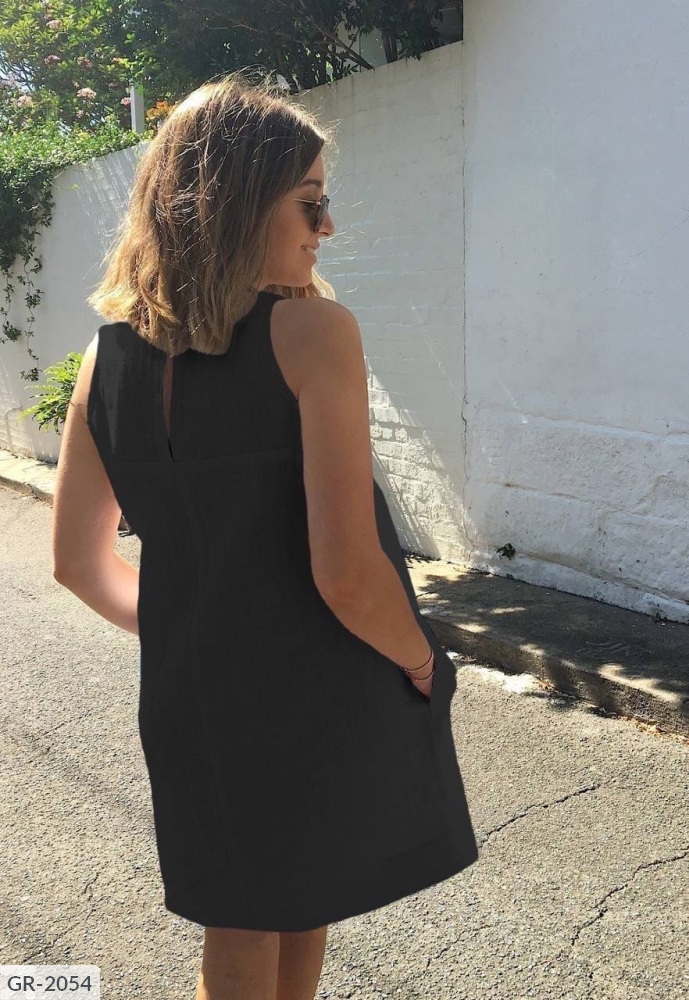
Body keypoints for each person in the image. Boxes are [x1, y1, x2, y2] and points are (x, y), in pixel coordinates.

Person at [52, 72, 479, 1000]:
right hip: (314, 683)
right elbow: (347, 573)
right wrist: (422, 662)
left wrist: (194, 630)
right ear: (237, 202)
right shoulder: (313, 331)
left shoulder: (102, 356)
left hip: (191, 694)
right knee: (294, 899)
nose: (327, 227)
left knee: (249, 910)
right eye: (309, 202)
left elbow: (79, 565)